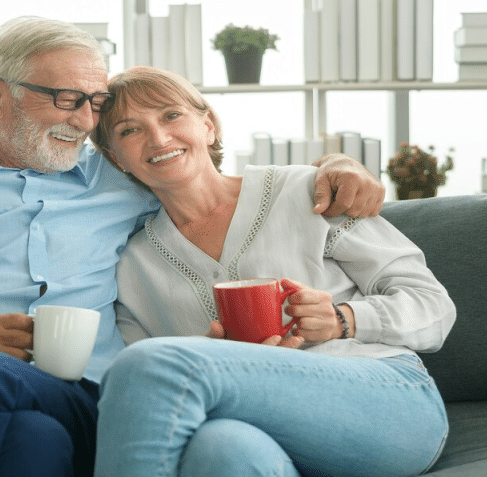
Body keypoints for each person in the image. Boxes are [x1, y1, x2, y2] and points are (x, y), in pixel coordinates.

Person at [0, 17, 386, 477]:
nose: (85, 122)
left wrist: (335, 167)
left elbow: (213, 181)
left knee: (20, 411)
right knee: (21, 429)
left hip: (81, 395)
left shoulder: (120, 174)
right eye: (67, 100)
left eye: (95, 103)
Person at [88, 66, 456, 477]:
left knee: (149, 364)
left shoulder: (309, 193)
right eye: (129, 130)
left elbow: (433, 307)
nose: (158, 138)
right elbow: (136, 397)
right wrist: (228, 359)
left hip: (383, 400)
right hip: (253, 427)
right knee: (219, 449)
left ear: (208, 126)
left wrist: (343, 320)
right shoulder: (133, 265)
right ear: (114, 158)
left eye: (171, 115)